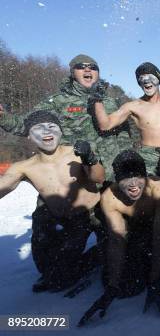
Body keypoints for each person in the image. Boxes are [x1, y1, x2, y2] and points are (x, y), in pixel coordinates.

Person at [0, 110, 106, 292]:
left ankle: (98, 255)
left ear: (60, 130)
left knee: (115, 254)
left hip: (92, 214)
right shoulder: (24, 167)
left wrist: (90, 158)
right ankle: (61, 269)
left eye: (51, 126)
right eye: (38, 128)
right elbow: (3, 186)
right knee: (55, 278)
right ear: (28, 135)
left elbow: (99, 178)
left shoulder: (76, 153)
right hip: (64, 220)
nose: (46, 132)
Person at [79, 150, 160, 326]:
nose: (133, 184)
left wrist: (155, 281)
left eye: (138, 176)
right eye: (125, 178)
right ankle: (98, 255)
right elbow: (118, 239)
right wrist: (112, 287)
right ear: (116, 179)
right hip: (135, 229)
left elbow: (159, 235)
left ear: (145, 175)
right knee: (126, 289)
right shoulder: (110, 197)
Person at [0, 54, 133, 181]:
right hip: (75, 175)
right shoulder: (58, 101)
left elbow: (123, 134)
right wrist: (2, 117)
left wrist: (127, 161)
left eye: (93, 67)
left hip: (111, 173)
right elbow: (25, 125)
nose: (88, 69)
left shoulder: (109, 101)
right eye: (81, 66)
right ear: (73, 73)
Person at [92, 62, 160, 177]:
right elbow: (105, 125)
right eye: (142, 78)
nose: (146, 81)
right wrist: (97, 99)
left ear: (158, 79)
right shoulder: (132, 106)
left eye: (150, 77)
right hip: (147, 159)